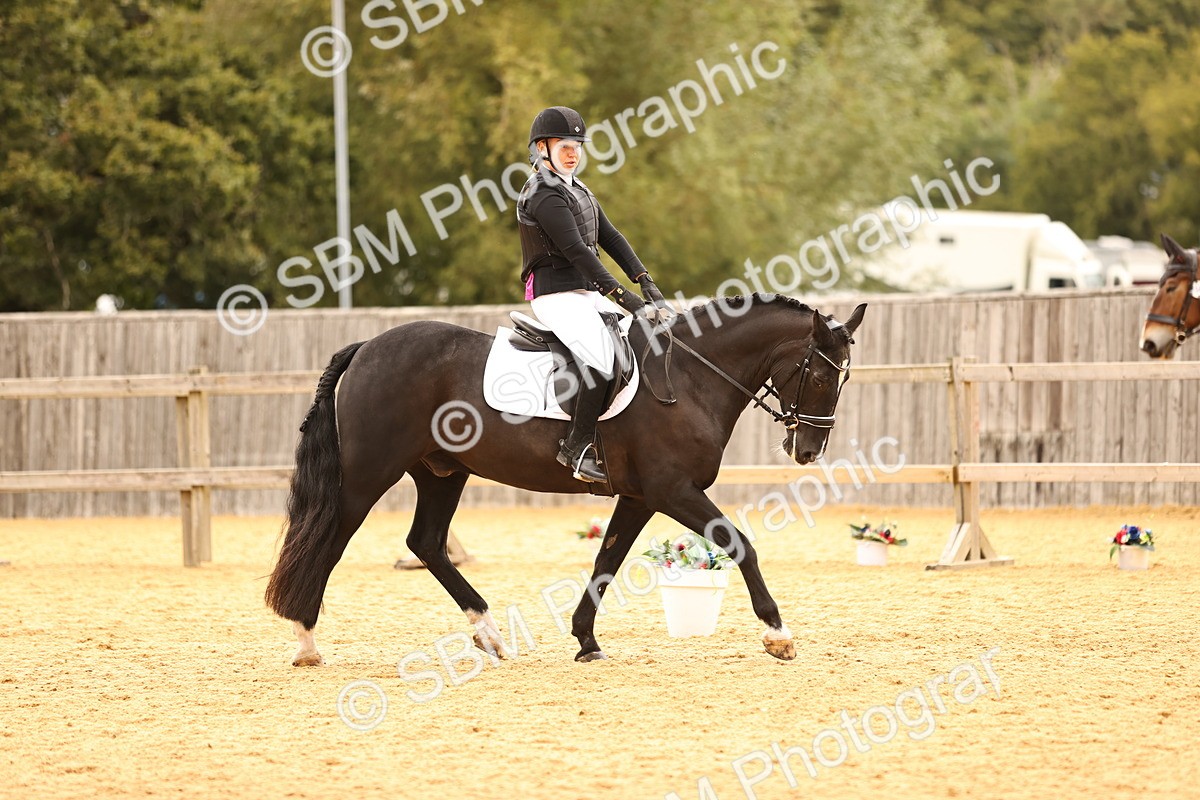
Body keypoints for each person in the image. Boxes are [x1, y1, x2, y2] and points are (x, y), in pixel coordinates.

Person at [516, 106, 669, 483]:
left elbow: (611, 237)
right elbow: (578, 252)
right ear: (541, 149)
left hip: (582, 292)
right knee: (602, 358)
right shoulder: (543, 194)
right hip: (555, 295)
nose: (573, 152)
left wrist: (644, 279)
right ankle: (577, 447)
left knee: (642, 339)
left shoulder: (577, 189)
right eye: (564, 146)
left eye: (577, 145)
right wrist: (624, 297)